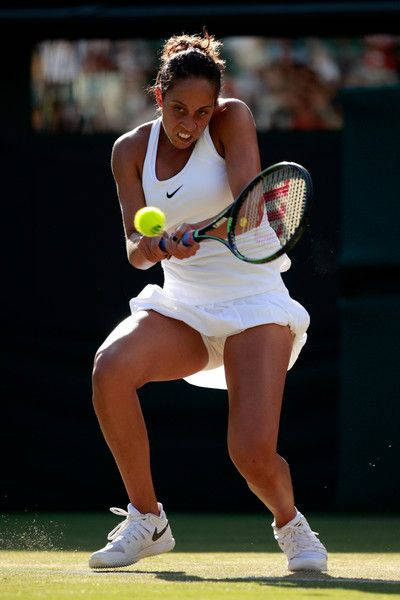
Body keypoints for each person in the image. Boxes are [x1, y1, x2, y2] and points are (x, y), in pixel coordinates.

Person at [89, 31, 328, 572]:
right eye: (178, 109)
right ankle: (147, 520)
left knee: (249, 453)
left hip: (254, 299)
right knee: (110, 369)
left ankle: (292, 527)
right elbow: (133, 248)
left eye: (201, 112)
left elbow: (247, 209)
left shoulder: (233, 119)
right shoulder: (129, 151)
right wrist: (151, 244)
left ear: (216, 107)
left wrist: (197, 228)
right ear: (157, 96)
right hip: (185, 305)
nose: (188, 124)